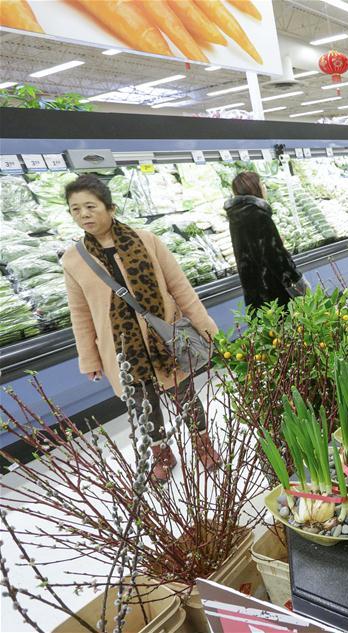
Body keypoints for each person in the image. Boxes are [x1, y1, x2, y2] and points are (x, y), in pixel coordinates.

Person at [61, 174, 220, 483]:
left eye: (90, 207)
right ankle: (161, 453)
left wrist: (205, 327)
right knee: (142, 404)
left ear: (111, 207)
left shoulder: (147, 240)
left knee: (184, 393)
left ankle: (204, 445)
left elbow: (180, 287)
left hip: (165, 336)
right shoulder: (73, 260)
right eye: (75, 209)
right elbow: (80, 315)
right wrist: (90, 359)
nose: (84, 215)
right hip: (121, 347)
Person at [225, 171, 308, 312]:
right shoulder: (259, 215)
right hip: (274, 292)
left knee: (269, 330)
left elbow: (249, 253)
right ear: (255, 188)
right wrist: (299, 285)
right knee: (290, 329)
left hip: (254, 293)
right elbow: (277, 258)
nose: (264, 187)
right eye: (262, 184)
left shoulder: (235, 217)